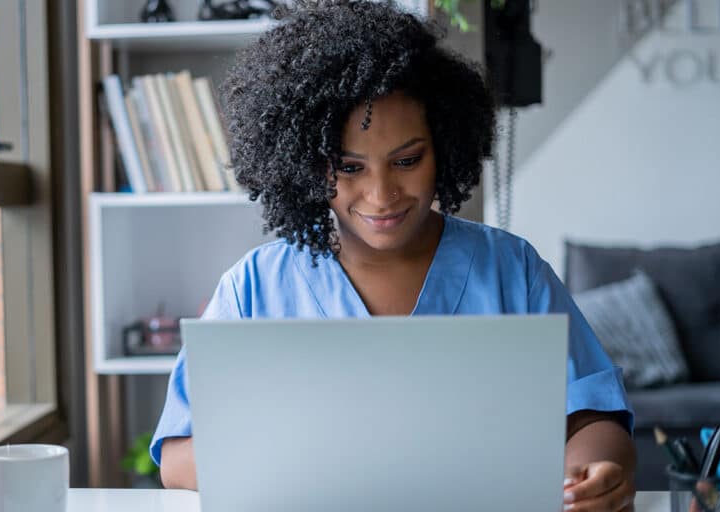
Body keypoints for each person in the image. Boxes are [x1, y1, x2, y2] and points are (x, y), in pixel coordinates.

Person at [151, 2, 637, 510]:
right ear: (303, 163)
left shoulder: (513, 271)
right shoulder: (253, 287)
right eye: (349, 167)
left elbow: (593, 417)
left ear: (446, 146)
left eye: (406, 160)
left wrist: (596, 473)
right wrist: (313, 459)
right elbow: (178, 456)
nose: (382, 195)